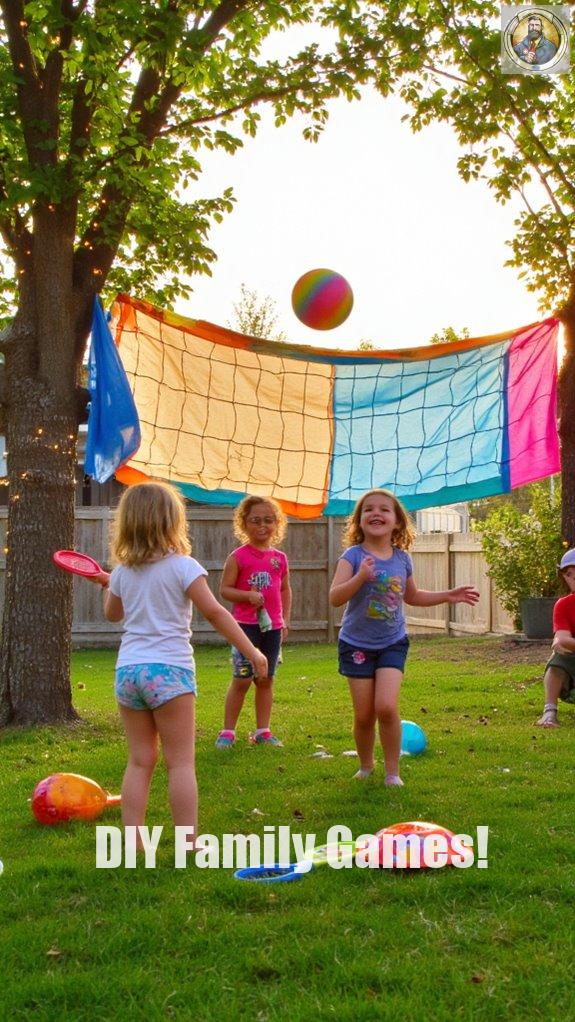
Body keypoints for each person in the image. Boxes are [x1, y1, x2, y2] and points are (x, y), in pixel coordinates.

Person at [95, 481, 267, 845]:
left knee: (140, 761)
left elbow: (113, 614)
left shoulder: (123, 572)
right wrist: (252, 651)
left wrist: (110, 584)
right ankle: (188, 842)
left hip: (129, 673)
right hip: (169, 672)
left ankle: (133, 842)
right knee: (180, 763)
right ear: (173, 522)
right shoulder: (183, 567)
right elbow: (217, 613)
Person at [329, 489, 479, 785]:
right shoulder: (353, 556)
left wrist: (448, 595)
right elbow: (335, 597)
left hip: (392, 642)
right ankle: (366, 765)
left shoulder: (402, 559)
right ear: (358, 521)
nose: (376, 513)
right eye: (368, 509)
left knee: (385, 707)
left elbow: (413, 596)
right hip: (356, 644)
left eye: (385, 509)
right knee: (363, 716)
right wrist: (360, 577)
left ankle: (392, 772)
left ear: (397, 522)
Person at [216, 495, 291, 748]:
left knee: (265, 679)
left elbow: (284, 590)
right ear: (244, 523)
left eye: (269, 520)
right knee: (242, 679)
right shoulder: (238, 557)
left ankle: (263, 731)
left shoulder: (279, 558)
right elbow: (225, 590)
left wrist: (285, 620)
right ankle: (228, 731)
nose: (262, 526)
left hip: (272, 628)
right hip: (245, 627)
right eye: (256, 520)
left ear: (277, 524)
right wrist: (247, 595)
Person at [536, 549, 575, 727]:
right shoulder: (563, 605)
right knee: (557, 659)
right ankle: (549, 713)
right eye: (569, 573)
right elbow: (561, 640)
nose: (574, 577)